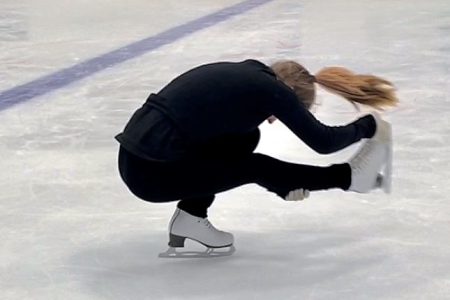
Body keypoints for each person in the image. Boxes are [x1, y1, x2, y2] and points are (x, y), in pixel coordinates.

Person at [115, 59, 397, 255]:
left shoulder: (244, 75)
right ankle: (349, 177)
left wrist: (281, 183)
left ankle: (191, 216)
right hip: (150, 174)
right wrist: (367, 127)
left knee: (247, 138)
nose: (273, 120)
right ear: (291, 98)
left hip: (136, 158)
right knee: (255, 166)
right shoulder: (271, 91)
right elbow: (323, 141)